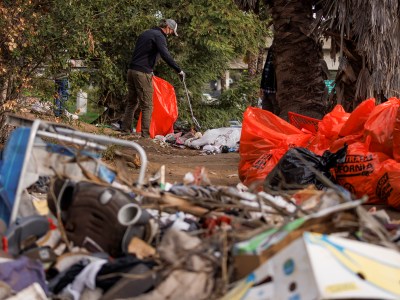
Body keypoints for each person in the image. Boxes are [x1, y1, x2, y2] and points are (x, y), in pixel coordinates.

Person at [121, 19, 185, 138]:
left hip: (131, 71)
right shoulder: (160, 36)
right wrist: (178, 70)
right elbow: (165, 55)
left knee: (132, 102)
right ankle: (145, 135)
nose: (170, 34)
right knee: (147, 105)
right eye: (171, 31)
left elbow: (143, 53)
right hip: (142, 73)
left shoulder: (146, 33)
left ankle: (125, 130)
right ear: (168, 27)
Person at [259, 44, 280, 115]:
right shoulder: (272, 47)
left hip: (274, 91)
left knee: (276, 114)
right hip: (266, 90)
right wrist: (262, 87)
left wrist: (277, 89)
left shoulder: (282, 47)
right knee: (266, 114)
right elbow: (265, 69)